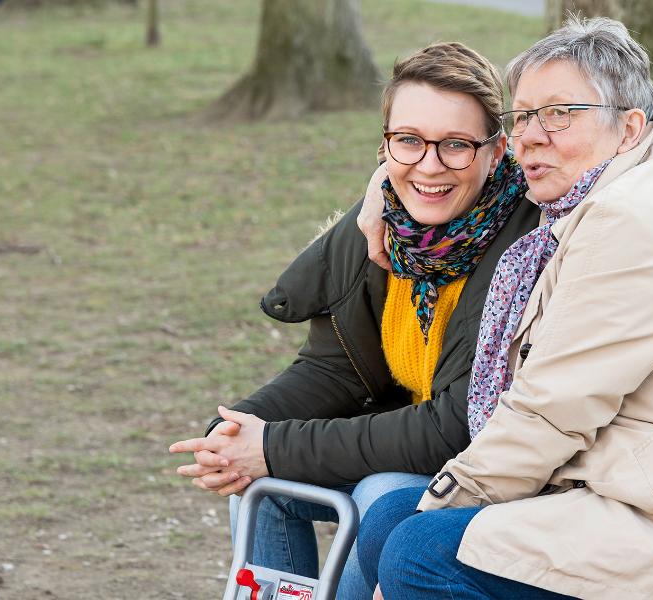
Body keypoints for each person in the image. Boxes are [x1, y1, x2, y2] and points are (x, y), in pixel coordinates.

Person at [356, 16, 653, 600]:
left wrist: (441, 504)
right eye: (522, 115)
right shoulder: (595, 194)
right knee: (389, 517)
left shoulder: (638, 218)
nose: (530, 136)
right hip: (628, 487)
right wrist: (382, 184)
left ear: (628, 127)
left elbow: (554, 408)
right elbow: (440, 156)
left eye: (559, 114)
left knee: (418, 550)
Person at [167, 42, 540, 599]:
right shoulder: (378, 227)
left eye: (457, 145)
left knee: (381, 494)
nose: (429, 165)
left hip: (489, 465)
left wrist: (274, 444)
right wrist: (239, 428)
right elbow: (337, 367)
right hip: (408, 437)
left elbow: (455, 426)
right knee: (254, 481)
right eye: (409, 140)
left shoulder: (524, 248)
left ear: (496, 150)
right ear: (384, 145)